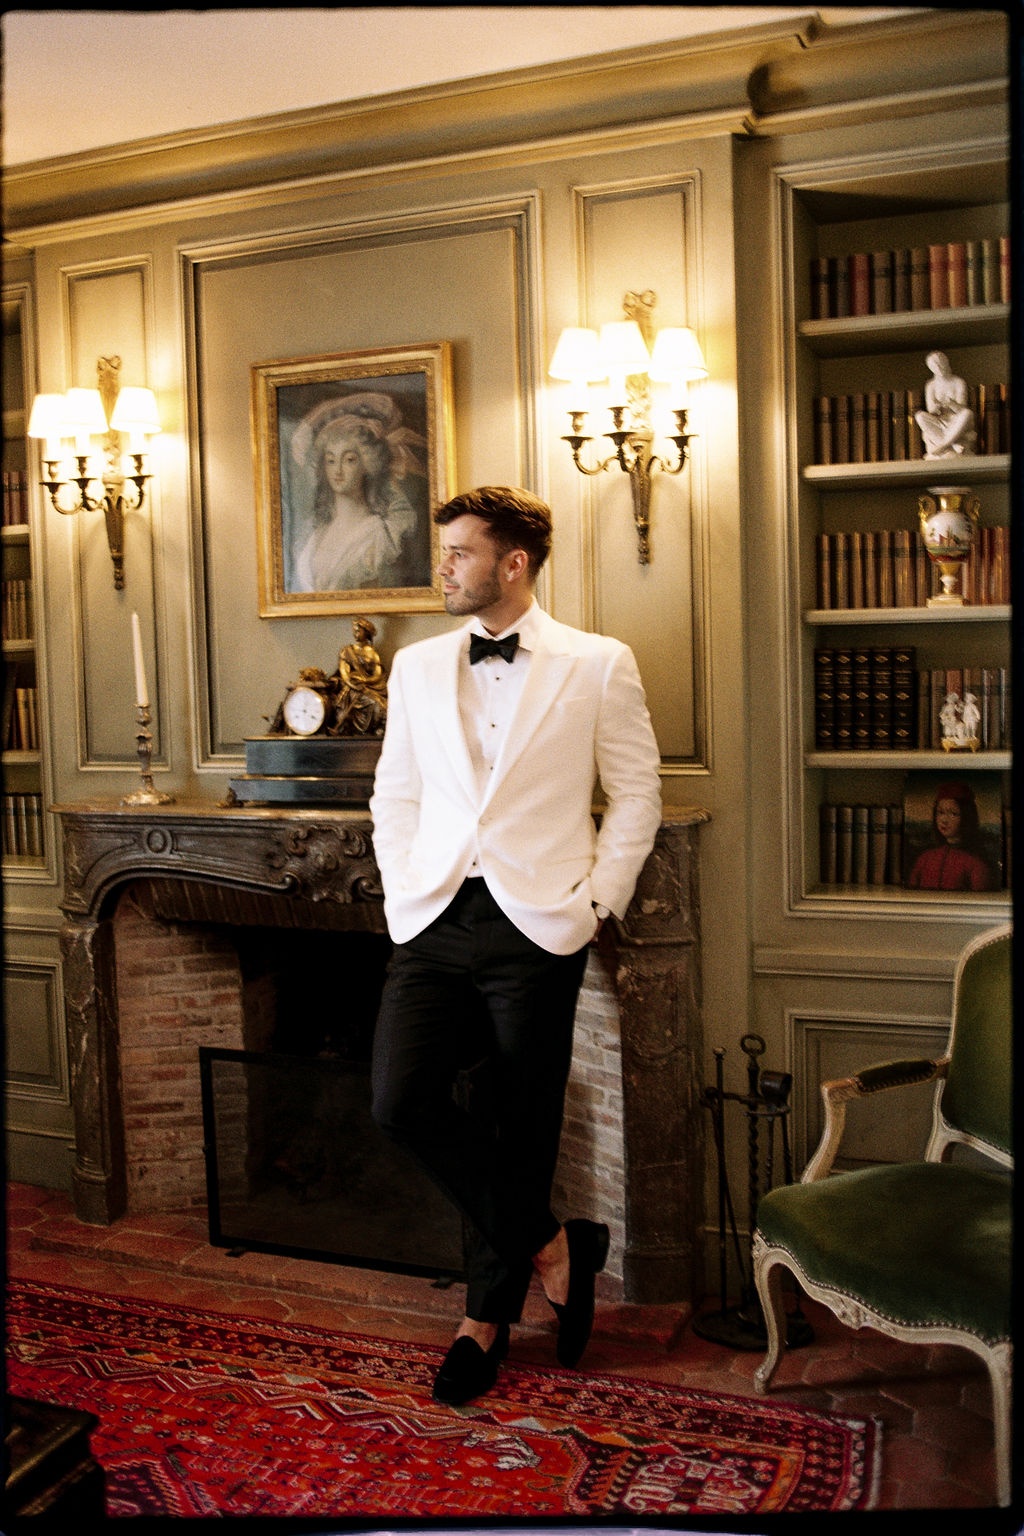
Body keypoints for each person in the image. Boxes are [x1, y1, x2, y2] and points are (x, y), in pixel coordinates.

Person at [369, 485, 662, 1407]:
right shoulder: (416, 666)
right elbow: (395, 794)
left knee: (519, 1119)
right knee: (400, 1099)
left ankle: (483, 1324)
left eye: (459, 552)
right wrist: (402, 887)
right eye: (445, 551)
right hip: (433, 916)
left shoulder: (599, 663)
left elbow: (637, 795)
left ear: (515, 562)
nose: (443, 568)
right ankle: (554, 1244)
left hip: (540, 921)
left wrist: (597, 903)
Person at [290, 392, 428, 592]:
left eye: (349, 460)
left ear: (367, 464)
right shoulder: (315, 533)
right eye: (331, 460)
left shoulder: (377, 534)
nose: (337, 470)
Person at [908, 780, 992, 891]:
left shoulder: (975, 864)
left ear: (967, 817)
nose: (944, 820)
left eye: (953, 814)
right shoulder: (925, 858)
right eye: (940, 812)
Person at [328, 617, 388, 736]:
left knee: (380, 706)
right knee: (348, 708)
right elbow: (344, 674)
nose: (355, 634)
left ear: (366, 632)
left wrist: (365, 681)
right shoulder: (347, 651)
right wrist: (354, 685)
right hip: (352, 688)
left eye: (358, 631)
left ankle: (374, 728)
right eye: (354, 631)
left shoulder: (372, 653)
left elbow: (377, 674)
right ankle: (347, 727)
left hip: (369, 687)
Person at [914, 351, 976, 458]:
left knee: (967, 413)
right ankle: (952, 444)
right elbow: (931, 410)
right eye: (934, 366)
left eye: (940, 364)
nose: (938, 368)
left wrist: (951, 404)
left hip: (955, 420)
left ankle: (944, 445)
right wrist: (937, 407)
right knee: (920, 416)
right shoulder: (931, 385)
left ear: (946, 363)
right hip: (939, 420)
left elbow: (962, 408)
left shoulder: (958, 382)